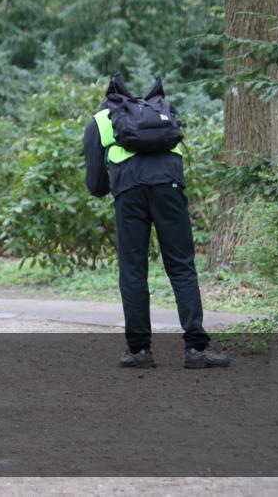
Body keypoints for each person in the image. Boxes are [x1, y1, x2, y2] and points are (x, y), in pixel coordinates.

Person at [83, 74, 229, 369]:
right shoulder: (164, 111)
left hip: (129, 192)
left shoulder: (101, 119)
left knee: (133, 269)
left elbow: (95, 185)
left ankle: (139, 352)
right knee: (182, 265)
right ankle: (197, 350)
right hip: (169, 187)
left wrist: (114, 182)